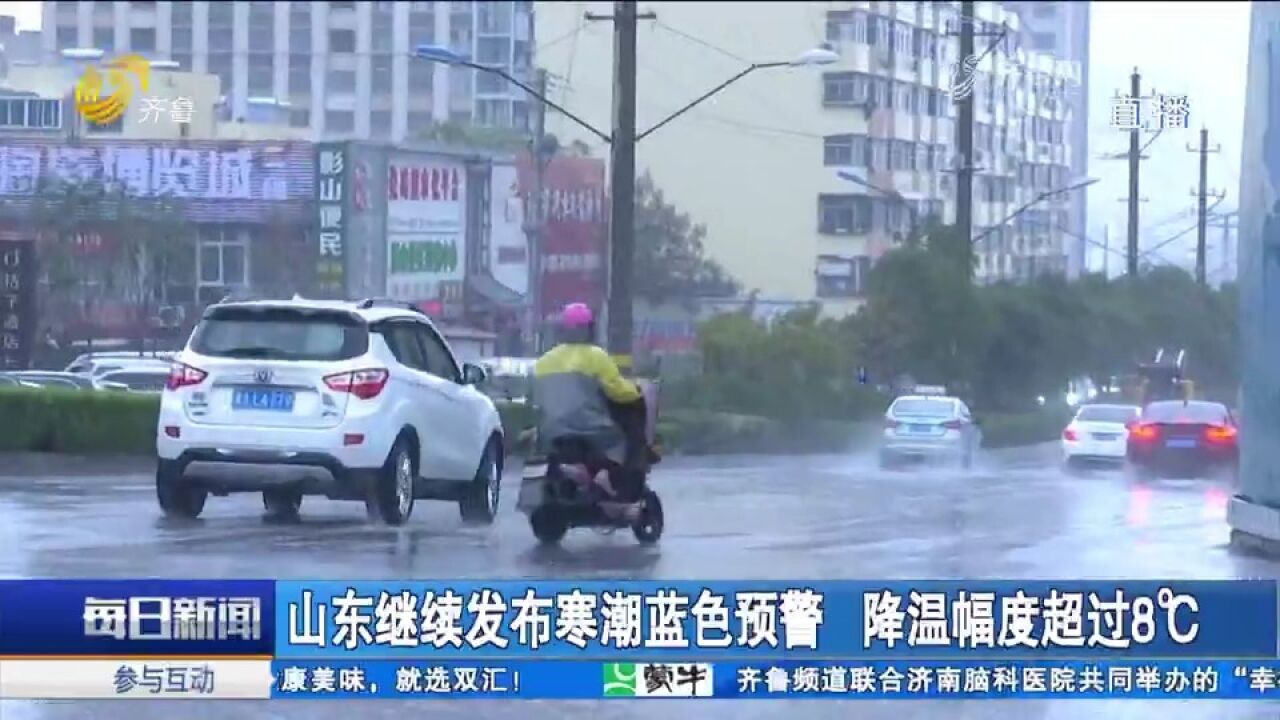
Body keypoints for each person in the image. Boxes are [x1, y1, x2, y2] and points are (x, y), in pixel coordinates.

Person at [532, 303, 653, 501]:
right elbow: (619, 392)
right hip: (590, 428)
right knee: (621, 439)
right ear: (589, 329)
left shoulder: (543, 362)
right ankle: (613, 479)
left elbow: (536, 399)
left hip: (551, 431)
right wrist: (637, 391)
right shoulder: (595, 356)